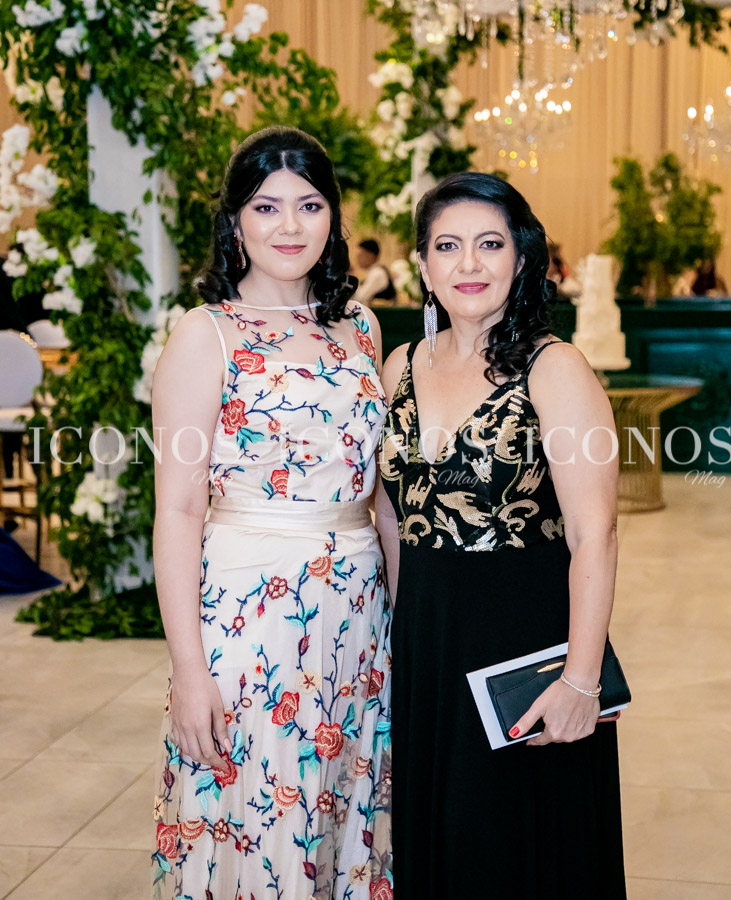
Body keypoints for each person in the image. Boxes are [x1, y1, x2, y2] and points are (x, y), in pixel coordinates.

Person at [151, 126, 392, 900]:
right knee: (261, 811)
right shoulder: (206, 335)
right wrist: (190, 670)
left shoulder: (360, 327)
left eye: (309, 205)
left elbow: (378, 488)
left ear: (333, 217)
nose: (290, 226)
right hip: (250, 610)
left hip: (357, 610)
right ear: (234, 221)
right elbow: (177, 509)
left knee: (341, 808)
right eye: (266, 207)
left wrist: (409, 610)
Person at [375, 172, 626, 898]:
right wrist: (399, 629)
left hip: (525, 644)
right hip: (428, 641)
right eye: (446, 246)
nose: (468, 264)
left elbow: (595, 533)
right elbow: (390, 511)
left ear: (521, 258)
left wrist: (579, 680)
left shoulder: (556, 368)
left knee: (517, 848)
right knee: (441, 840)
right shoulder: (400, 367)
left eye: (489, 244)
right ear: (422, 266)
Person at [353, 238, 397, 304]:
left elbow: (360, 298)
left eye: (360, 255)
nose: (357, 259)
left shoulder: (377, 273)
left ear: (370, 256)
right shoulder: (374, 272)